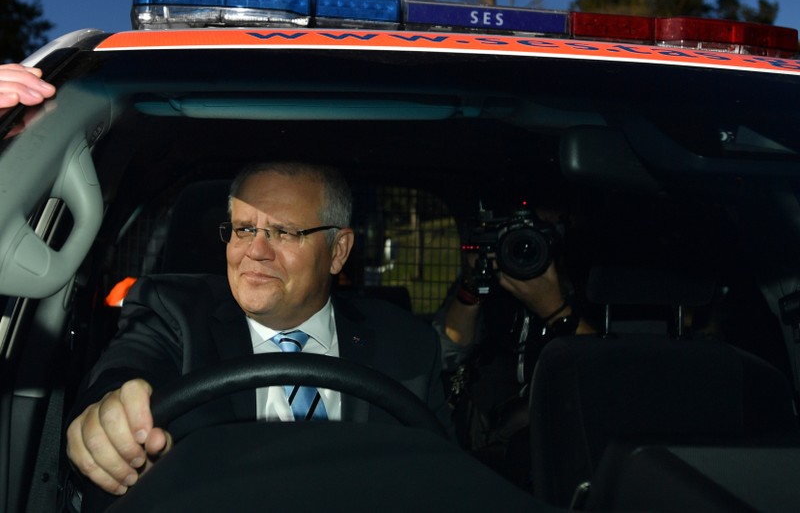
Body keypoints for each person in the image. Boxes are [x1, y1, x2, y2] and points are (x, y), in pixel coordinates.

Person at [62, 162, 451, 509]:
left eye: (284, 232)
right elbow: (128, 369)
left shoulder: (408, 343)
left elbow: (448, 480)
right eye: (245, 229)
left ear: (339, 250)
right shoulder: (172, 311)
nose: (256, 251)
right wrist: (109, 413)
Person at [432, 206, 593, 488]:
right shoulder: (491, 282)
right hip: (487, 434)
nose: (525, 245)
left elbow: (607, 372)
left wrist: (554, 309)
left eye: (543, 228)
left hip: (566, 433)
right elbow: (446, 352)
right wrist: (474, 282)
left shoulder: (593, 285)